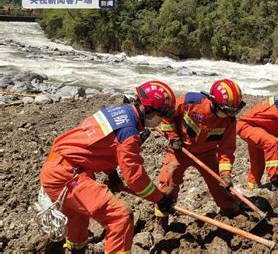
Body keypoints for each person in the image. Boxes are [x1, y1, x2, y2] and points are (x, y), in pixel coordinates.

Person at [39, 80, 176, 253]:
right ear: (148, 109)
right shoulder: (129, 133)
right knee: (121, 217)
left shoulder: (115, 111)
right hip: (67, 176)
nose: (160, 120)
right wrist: (160, 199)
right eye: (161, 114)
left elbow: (99, 148)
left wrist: (112, 175)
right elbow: (135, 179)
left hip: (59, 166)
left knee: (78, 218)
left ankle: (75, 250)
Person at [155, 79, 246, 235]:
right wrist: (173, 138)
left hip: (207, 154)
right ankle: (161, 219)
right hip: (180, 150)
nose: (230, 115)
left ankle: (229, 209)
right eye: (227, 110)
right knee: (168, 181)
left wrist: (225, 174)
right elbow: (167, 117)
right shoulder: (189, 102)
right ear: (214, 102)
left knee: (220, 184)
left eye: (234, 111)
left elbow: (226, 150)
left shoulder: (229, 120)